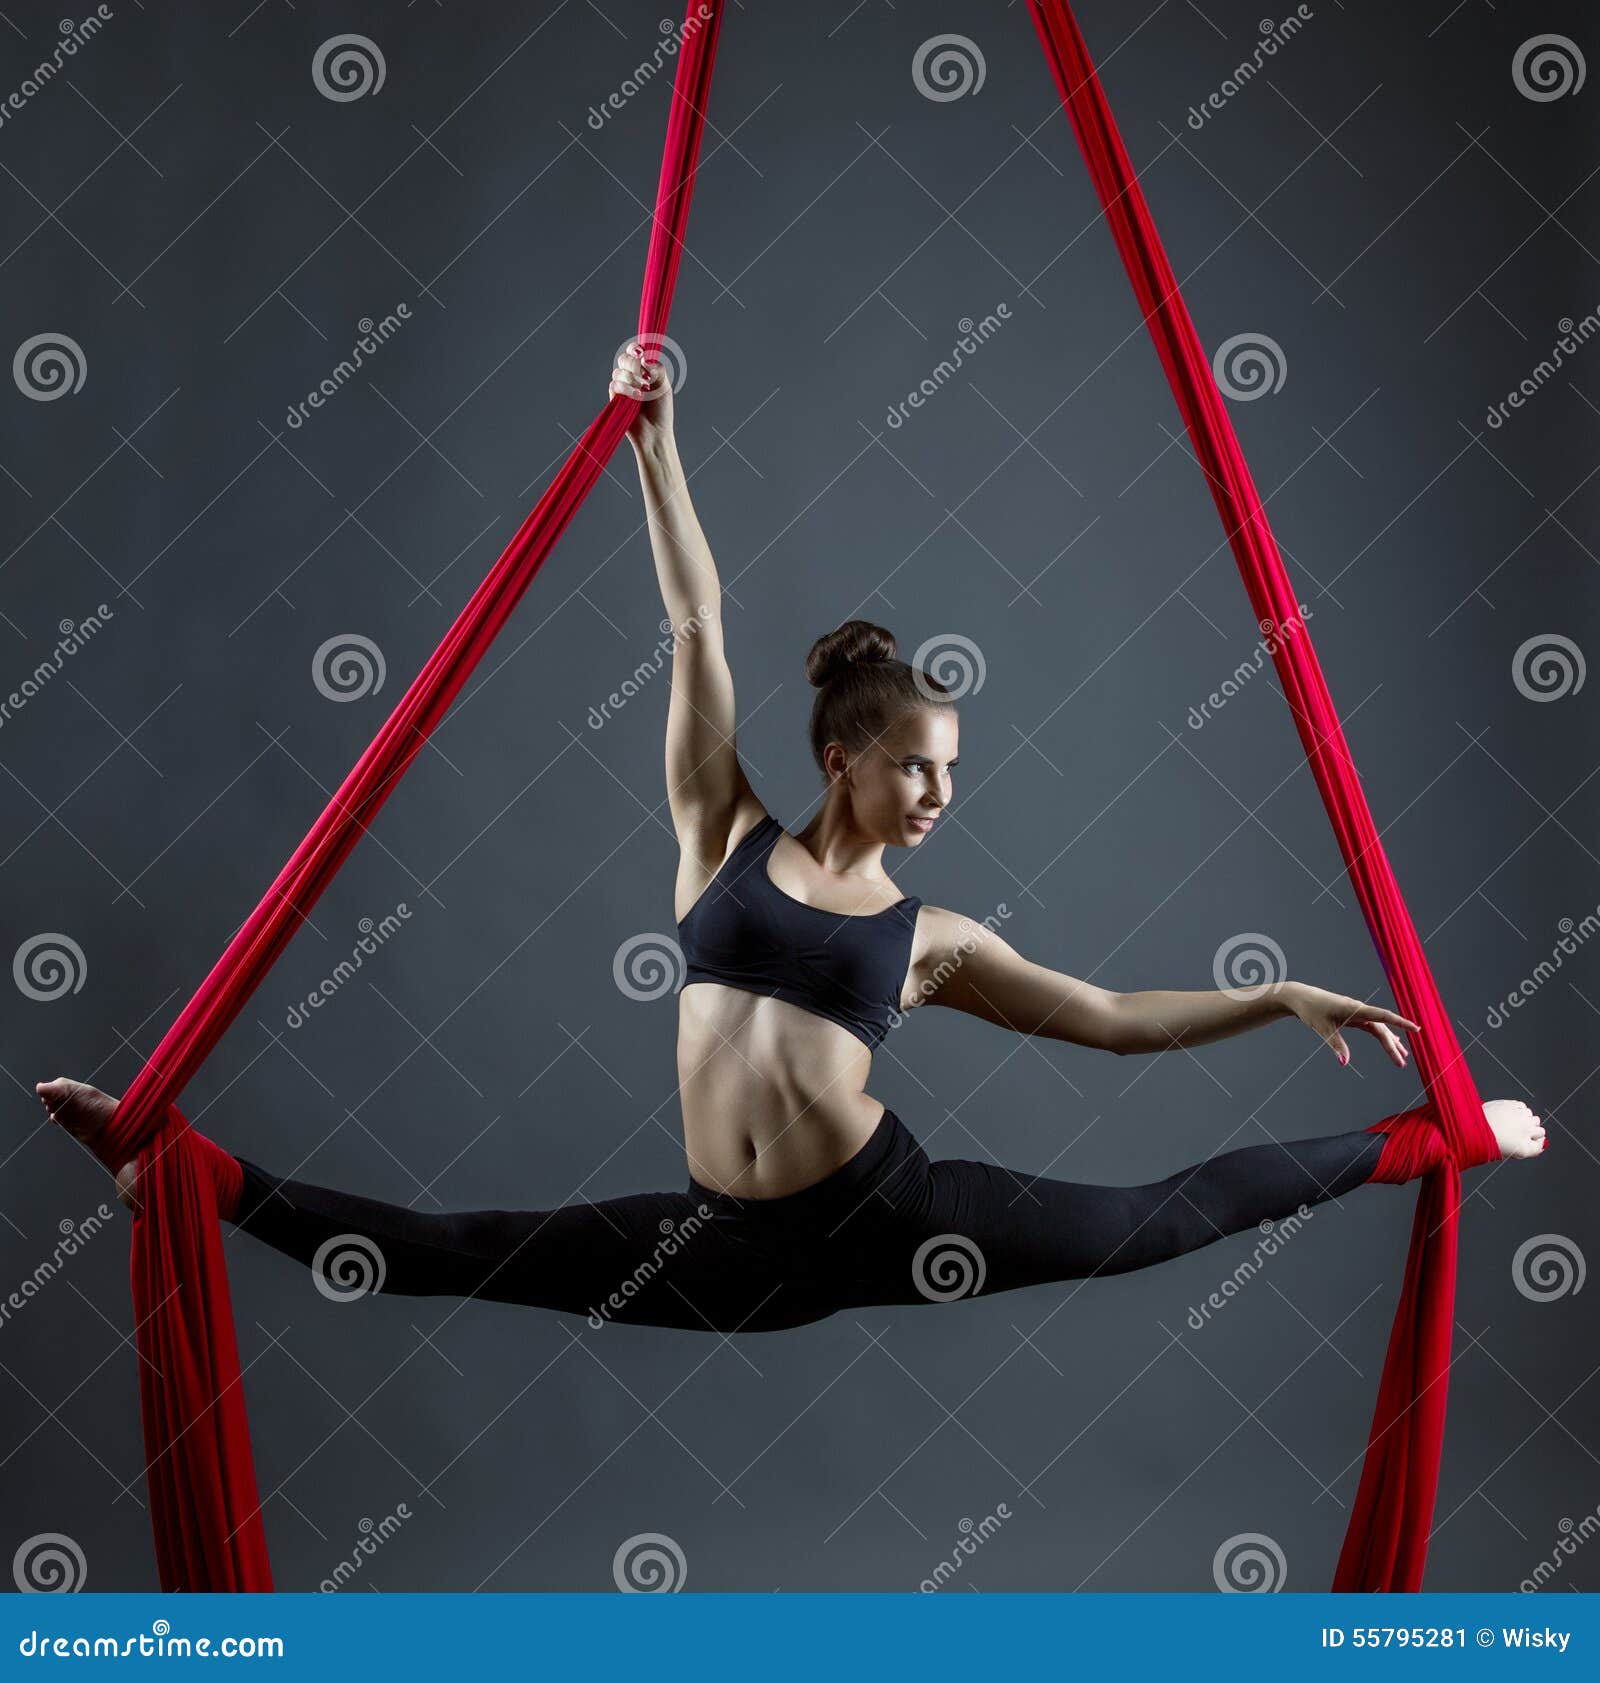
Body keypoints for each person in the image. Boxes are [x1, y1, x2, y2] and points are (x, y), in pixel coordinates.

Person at [35, 341, 1546, 1336]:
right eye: (918, 769)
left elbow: (1105, 1021)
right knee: (463, 1248)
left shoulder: (930, 939)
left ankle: (1429, 1144)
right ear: (845, 756)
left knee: (1154, 1224)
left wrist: (1275, 996)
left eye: (951, 773)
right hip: (720, 1246)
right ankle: (183, 1172)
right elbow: (692, 618)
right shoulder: (721, 829)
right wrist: (656, 439)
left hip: (884, 1219)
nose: (943, 796)